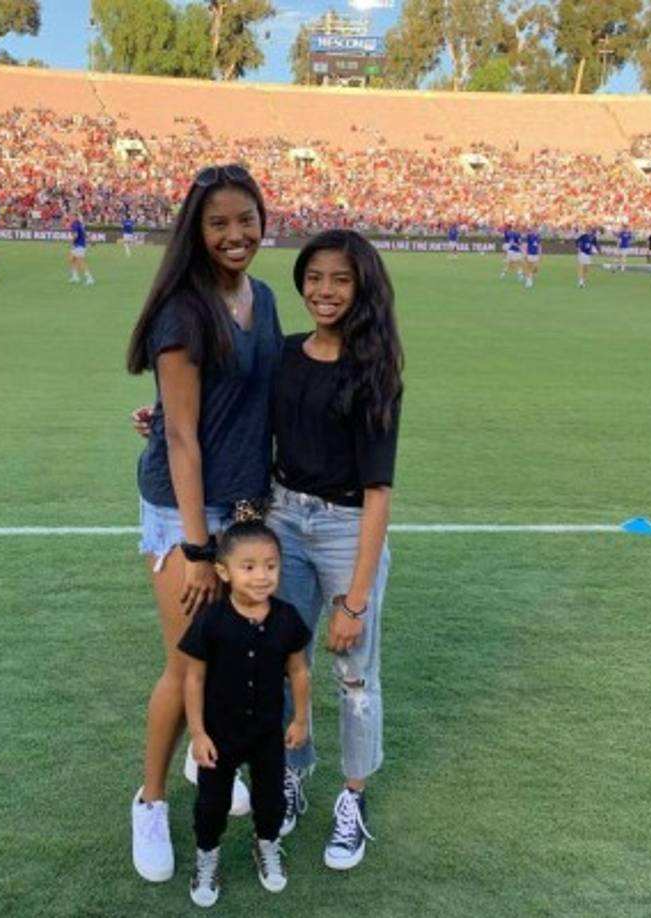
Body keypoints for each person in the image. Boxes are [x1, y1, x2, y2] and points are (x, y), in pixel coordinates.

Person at [125, 164, 284, 884]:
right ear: (197, 228)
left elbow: (256, 395)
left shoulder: (268, 298)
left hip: (247, 507)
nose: (234, 235)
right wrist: (195, 547)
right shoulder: (184, 312)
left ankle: (205, 754)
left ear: (262, 218)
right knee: (189, 663)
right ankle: (150, 800)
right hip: (188, 510)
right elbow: (184, 438)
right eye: (217, 223)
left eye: (244, 219)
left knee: (228, 661)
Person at [268, 229, 404, 871]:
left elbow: (379, 493)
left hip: (348, 527)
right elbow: (239, 418)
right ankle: (295, 771)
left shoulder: (376, 372)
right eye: (315, 277)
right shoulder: (286, 353)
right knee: (283, 659)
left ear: (362, 289)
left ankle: (352, 799)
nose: (324, 291)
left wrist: (354, 599)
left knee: (355, 676)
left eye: (340, 280)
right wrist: (163, 423)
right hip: (283, 519)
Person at [180, 521, 311, 907]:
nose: (261, 576)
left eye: (271, 566)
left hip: (268, 732)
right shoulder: (212, 620)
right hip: (219, 734)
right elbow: (194, 679)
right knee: (211, 802)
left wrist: (300, 719)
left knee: (271, 798)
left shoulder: (287, 619)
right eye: (249, 566)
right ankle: (207, 855)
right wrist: (198, 733)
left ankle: (267, 844)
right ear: (224, 572)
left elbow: (300, 671)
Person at [69, 214, 95, 285]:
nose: (71, 218)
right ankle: (75, 277)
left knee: (80, 262)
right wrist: (91, 240)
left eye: (72, 217)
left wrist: (71, 242)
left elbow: (76, 235)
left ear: (75, 217)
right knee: (72, 258)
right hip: (80, 245)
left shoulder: (75, 224)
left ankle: (89, 278)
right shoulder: (80, 224)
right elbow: (85, 233)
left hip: (79, 245)